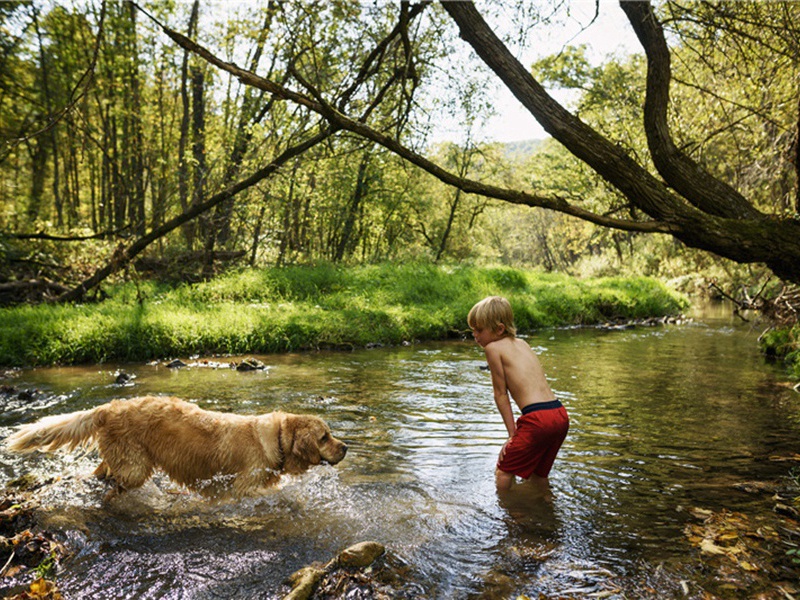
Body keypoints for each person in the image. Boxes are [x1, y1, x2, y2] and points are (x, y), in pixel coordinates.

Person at [467, 296, 569, 493]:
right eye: (473, 330)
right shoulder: (522, 343)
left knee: (503, 471)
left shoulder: (492, 347)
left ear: (499, 329)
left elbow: (500, 395)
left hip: (538, 419)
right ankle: (546, 513)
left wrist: (512, 435)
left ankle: (508, 518)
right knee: (539, 475)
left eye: (479, 329)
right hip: (559, 414)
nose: (474, 335)